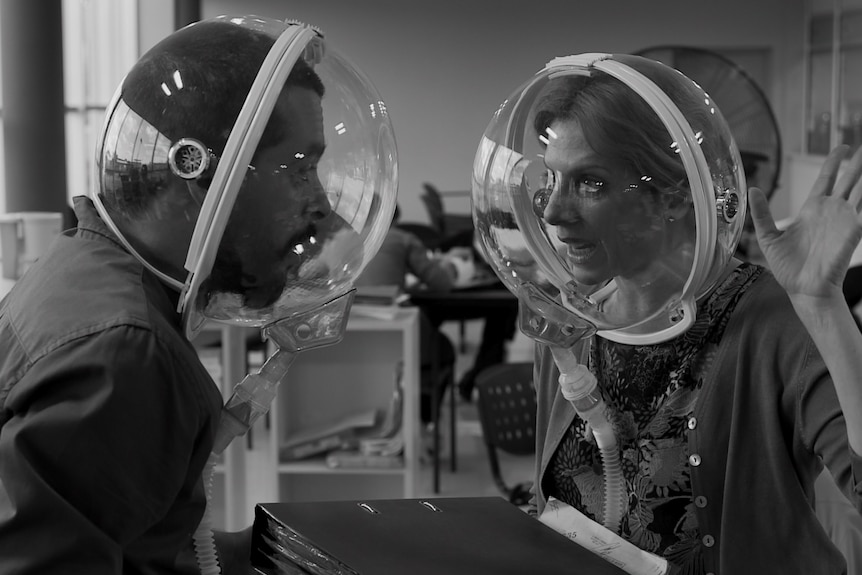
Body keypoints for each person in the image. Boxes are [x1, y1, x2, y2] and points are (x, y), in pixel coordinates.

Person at [0, 15, 396, 575]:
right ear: (202, 172)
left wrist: (268, 553)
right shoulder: (127, 353)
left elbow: (133, 543)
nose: (322, 207)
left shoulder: (82, 269)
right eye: (300, 168)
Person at [479, 61, 862, 573]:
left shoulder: (776, 322)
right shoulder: (569, 326)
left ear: (676, 196)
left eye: (590, 183)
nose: (553, 212)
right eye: (551, 179)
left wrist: (824, 310)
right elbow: (560, 501)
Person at [355, 205, 468, 425]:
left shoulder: (340, 241)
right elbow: (441, 283)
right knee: (443, 350)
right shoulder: (403, 239)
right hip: (393, 331)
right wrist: (449, 265)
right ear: (393, 216)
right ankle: (426, 416)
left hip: (352, 336)